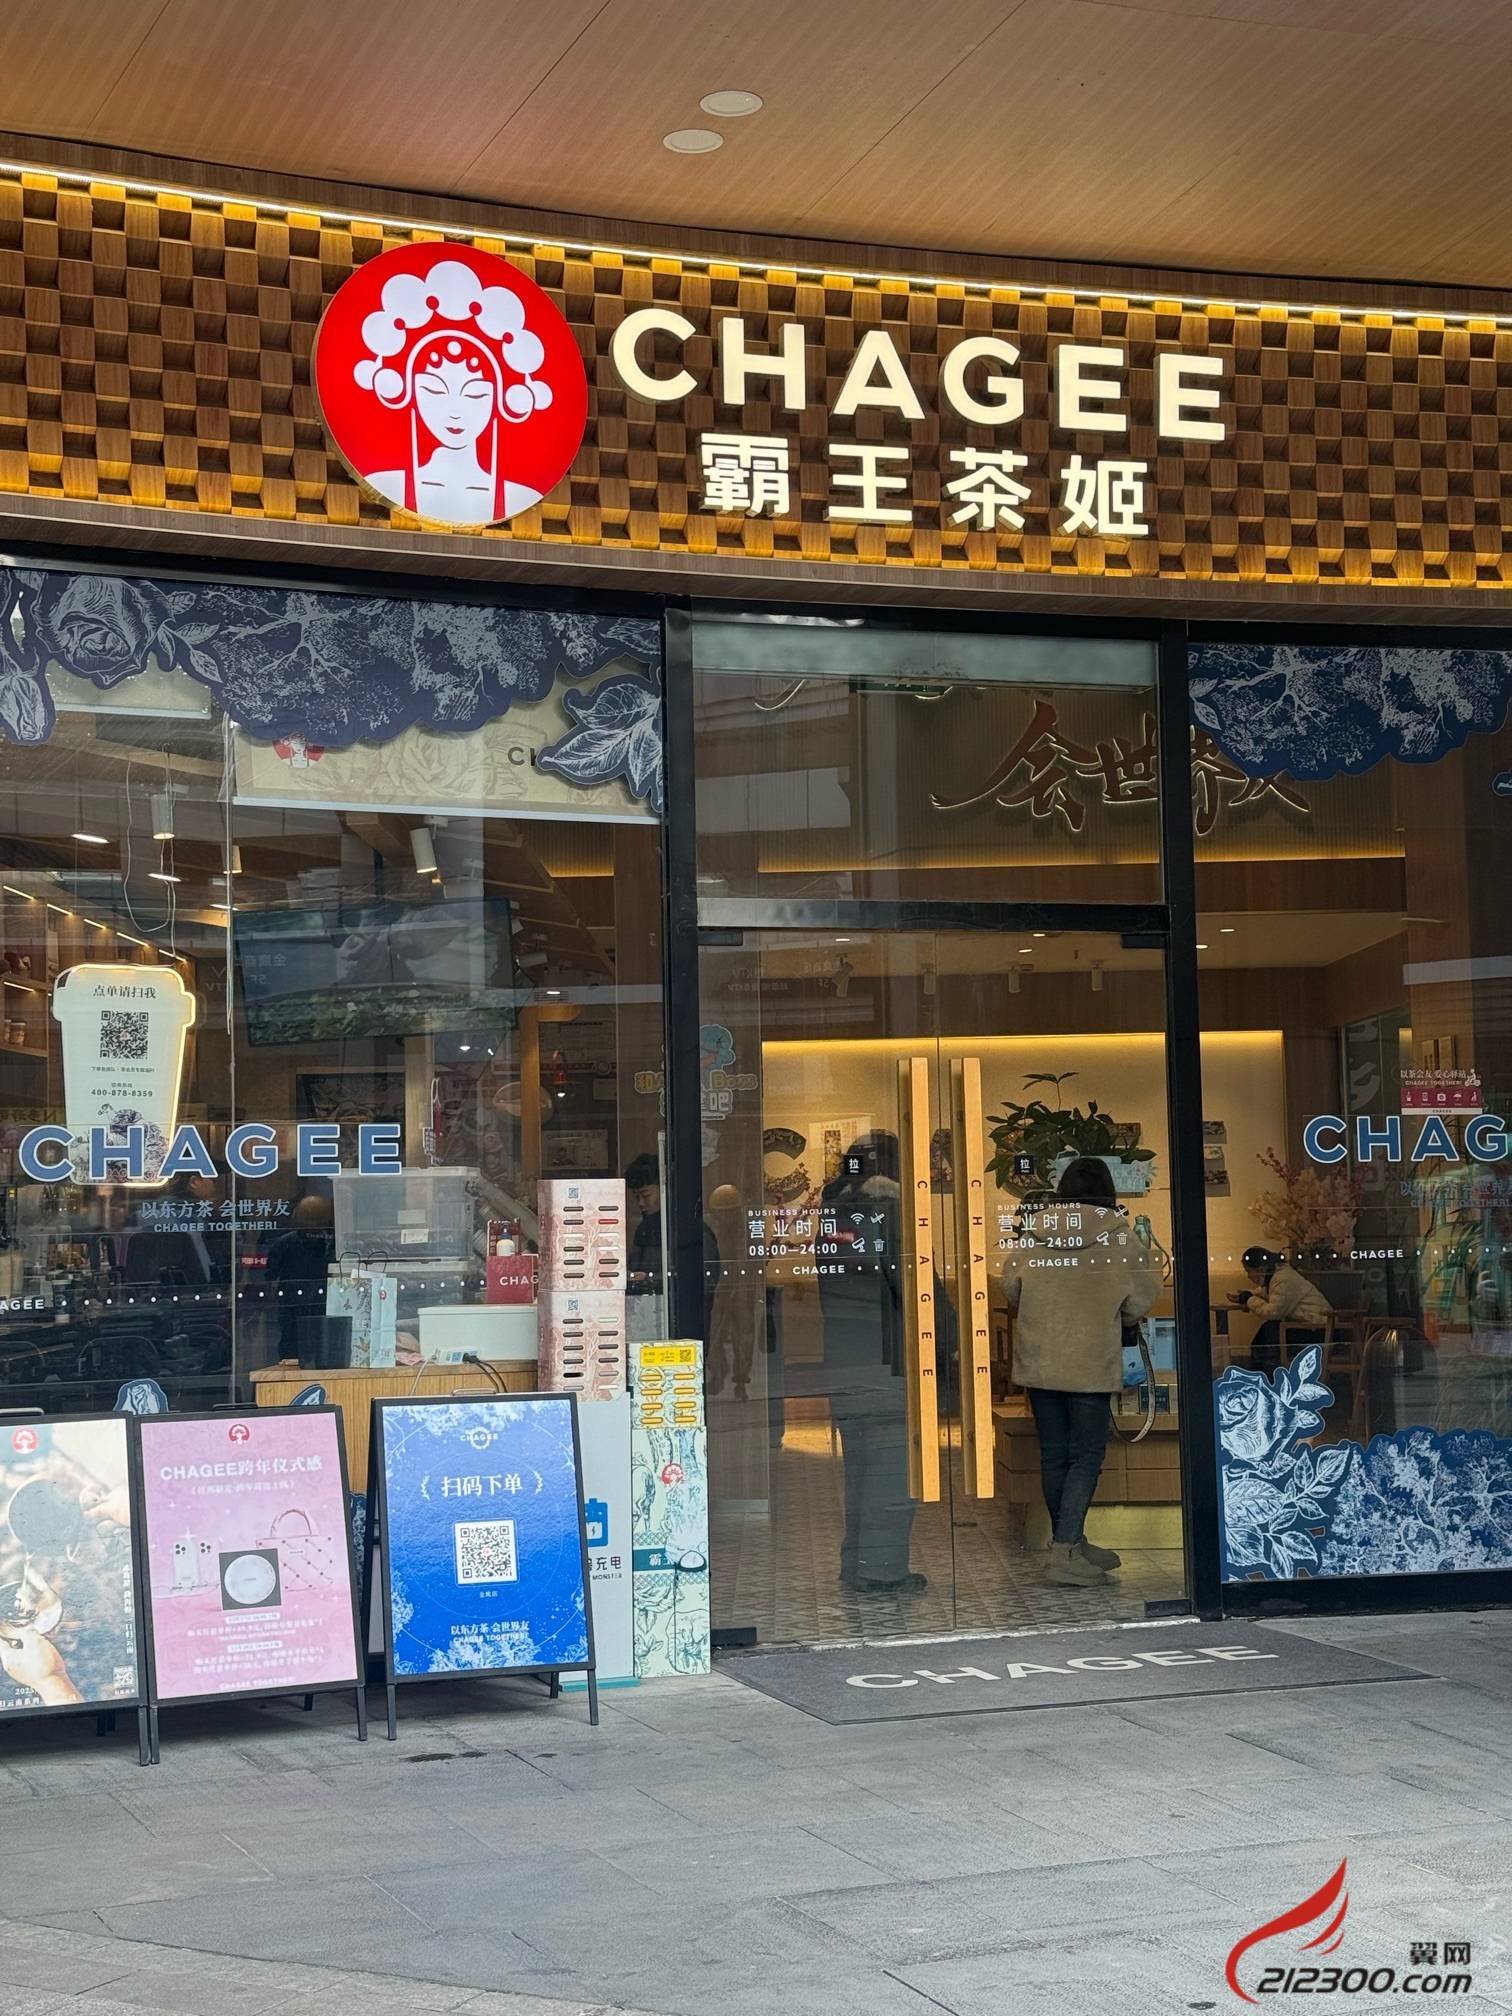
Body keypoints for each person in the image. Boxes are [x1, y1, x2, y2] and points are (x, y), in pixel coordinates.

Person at [1002, 1156, 1157, 1588]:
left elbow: (1011, 1287)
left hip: (1040, 1360)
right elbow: (1141, 1298)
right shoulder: (1120, 1237)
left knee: (1054, 1454)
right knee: (1086, 1455)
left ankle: (1070, 1543)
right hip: (1089, 1361)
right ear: (1108, 1192)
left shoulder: (1035, 1232)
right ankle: (1066, 1549)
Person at [817, 1131, 923, 1595]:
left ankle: (855, 1562)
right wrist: (948, 1334)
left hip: (843, 1358)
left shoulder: (832, 1212)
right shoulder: (890, 1210)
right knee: (892, 1470)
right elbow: (910, 1280)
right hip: (887, 1357)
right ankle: (882, 1570)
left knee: (859, 1468)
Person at [1232, 1246, 1331, 1372]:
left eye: (1249, 1271)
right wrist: (1247, 1296)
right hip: (1315, 1326)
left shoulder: (1282, 1279)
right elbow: (1271, 1294)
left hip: (1319, 1331)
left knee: (1267, 1335)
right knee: (1267, 1333)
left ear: (1260, 1269)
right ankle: (1266, 1374)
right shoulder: (1281, 1276)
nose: (1248, 1276)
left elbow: (1272, 1312)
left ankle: (1266, 1375)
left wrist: (1249, 1299)